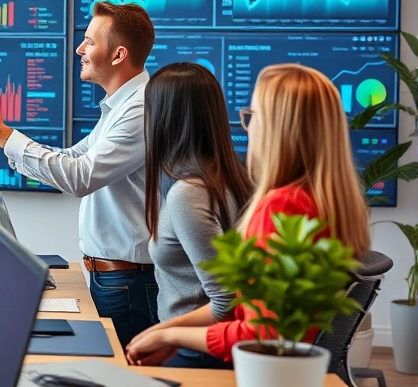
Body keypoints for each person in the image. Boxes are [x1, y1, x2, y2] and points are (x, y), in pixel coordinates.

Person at [125, 64, 372, 365]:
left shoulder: (281, 206)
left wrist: (168, 335)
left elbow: (259, 336)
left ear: (276, 130)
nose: (247, 126)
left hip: (251, 365)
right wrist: (168, 331)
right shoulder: (331, 203)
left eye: (253, 117)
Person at [0, 1, 157, 348]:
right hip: (112, 277)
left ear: (119, 54)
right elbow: (73, 157)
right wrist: (5, 139)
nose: (80, 48)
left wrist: (4, 136)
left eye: (89, 41)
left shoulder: (139, 109)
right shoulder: (119, 105)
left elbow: (80, 177)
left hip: (127, 282)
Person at [138, 62, 253, 369]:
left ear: (163, 118)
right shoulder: (232, 177)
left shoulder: (188, 194)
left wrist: (161, 333)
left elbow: (226, 302)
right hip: (199, 347)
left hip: (196, 353)